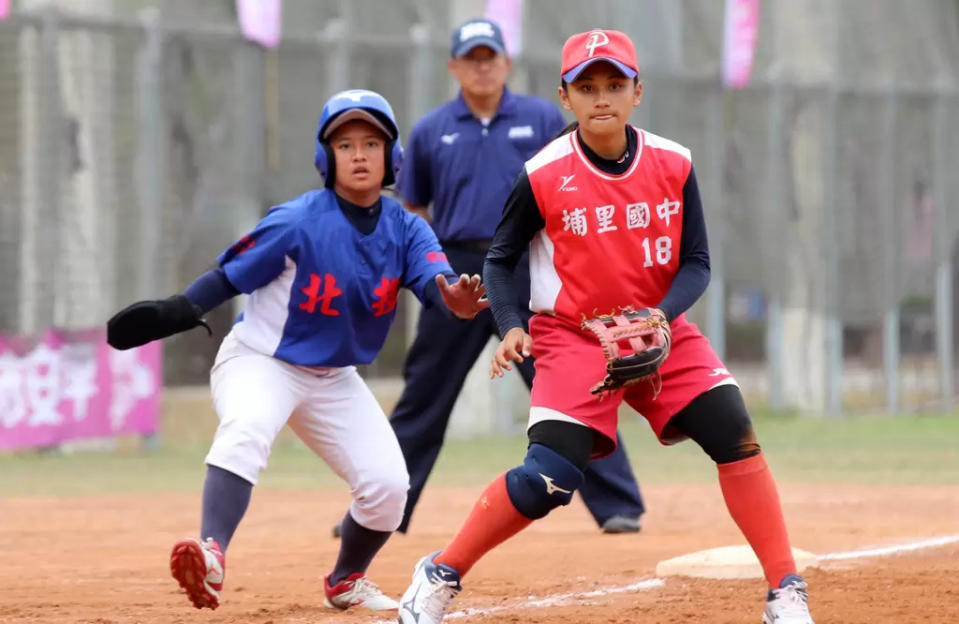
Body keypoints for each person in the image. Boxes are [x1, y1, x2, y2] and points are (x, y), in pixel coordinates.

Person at [397, 30, 815, 624]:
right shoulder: (543, 173)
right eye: (586, 86)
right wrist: (513, 323)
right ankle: (440, 572)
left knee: (733, 431)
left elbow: (696, 261)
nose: (601, 97)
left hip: (660, 329)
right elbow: (500, 257)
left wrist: (661, 318)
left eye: (614, 84)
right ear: (564, 97)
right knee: (549, 479)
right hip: (573, 335)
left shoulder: (672, 162)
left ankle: (785, 590)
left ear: (637, 91)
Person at [105, 89, 489, 613]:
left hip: (333, 376)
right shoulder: (297, 220)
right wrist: (178, 309)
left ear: (391, 157)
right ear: (325, 157)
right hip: (262, 361)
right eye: (346, 143)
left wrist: (457, 300)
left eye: (372, 143)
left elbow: (435, 282)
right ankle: (212, 552)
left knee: (389, 488)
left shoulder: (406, 227)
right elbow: (229, 275)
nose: (358, 154)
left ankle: (346, 578)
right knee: (247, 427)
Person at [384, 16, 646, 536]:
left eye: (491, 57)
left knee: (572, 380)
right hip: (456, 269)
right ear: (454, 67)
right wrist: (430, 265)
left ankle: (618, 505)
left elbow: (578, 179)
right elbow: (413, 207)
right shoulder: (432, 130)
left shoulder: (541, 116)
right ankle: (383, 509)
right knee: (424, 393)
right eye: (471, 59)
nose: (482, 68)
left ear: (506, 63)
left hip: (529, 266)